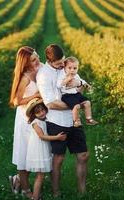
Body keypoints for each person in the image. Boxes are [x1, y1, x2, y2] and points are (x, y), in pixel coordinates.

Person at [36, 44, 89, 197]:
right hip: (56, 121)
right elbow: (51, 103)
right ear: (49, 60)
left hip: (73, 120)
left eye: (63, 61)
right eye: (59, 63)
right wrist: (76, 105)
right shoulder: (44, 75)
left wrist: (79, 84)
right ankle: (56, 192)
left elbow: (79, 90)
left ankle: (82, 192)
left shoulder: (66, 68)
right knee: (58, 159)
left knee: (83, 155)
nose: (62, 65)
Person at [9, 46, 41, 198]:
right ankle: (26, 190)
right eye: (33, 60)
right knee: (24, 155)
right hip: (25, 120)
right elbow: (16, 101)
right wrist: (35, 95)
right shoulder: (25, 78)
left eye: (37, 57)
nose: (37, 61)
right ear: (25, 63)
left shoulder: (39, 70)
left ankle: (17, 180)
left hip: (37, 118)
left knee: (34, 152)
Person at [25, 98, 66, 200]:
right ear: (34, 114)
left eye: (43, 110)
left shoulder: (45, 119)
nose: (42, 113)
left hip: (44, 148)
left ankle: (39, 195)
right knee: (40, 175)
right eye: (38, 112)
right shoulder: (35, 122)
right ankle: (35, 197)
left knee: (42, 174)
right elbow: (42, 136)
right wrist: (57, 137)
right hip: (39, 150)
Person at [57, 56, 98, 127]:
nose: (72, 70)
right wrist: (67, 79)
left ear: (77, 68)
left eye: (75, 68)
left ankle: (89, 119)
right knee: (76, 106)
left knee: (87, 103)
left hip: (76, 94)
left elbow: (81, 81)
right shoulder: (63, 75)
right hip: (67, 96)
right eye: (69, 68)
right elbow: (58, 85)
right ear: (65, 68)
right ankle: (76, 121)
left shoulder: (76, 75)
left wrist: (86, 84)